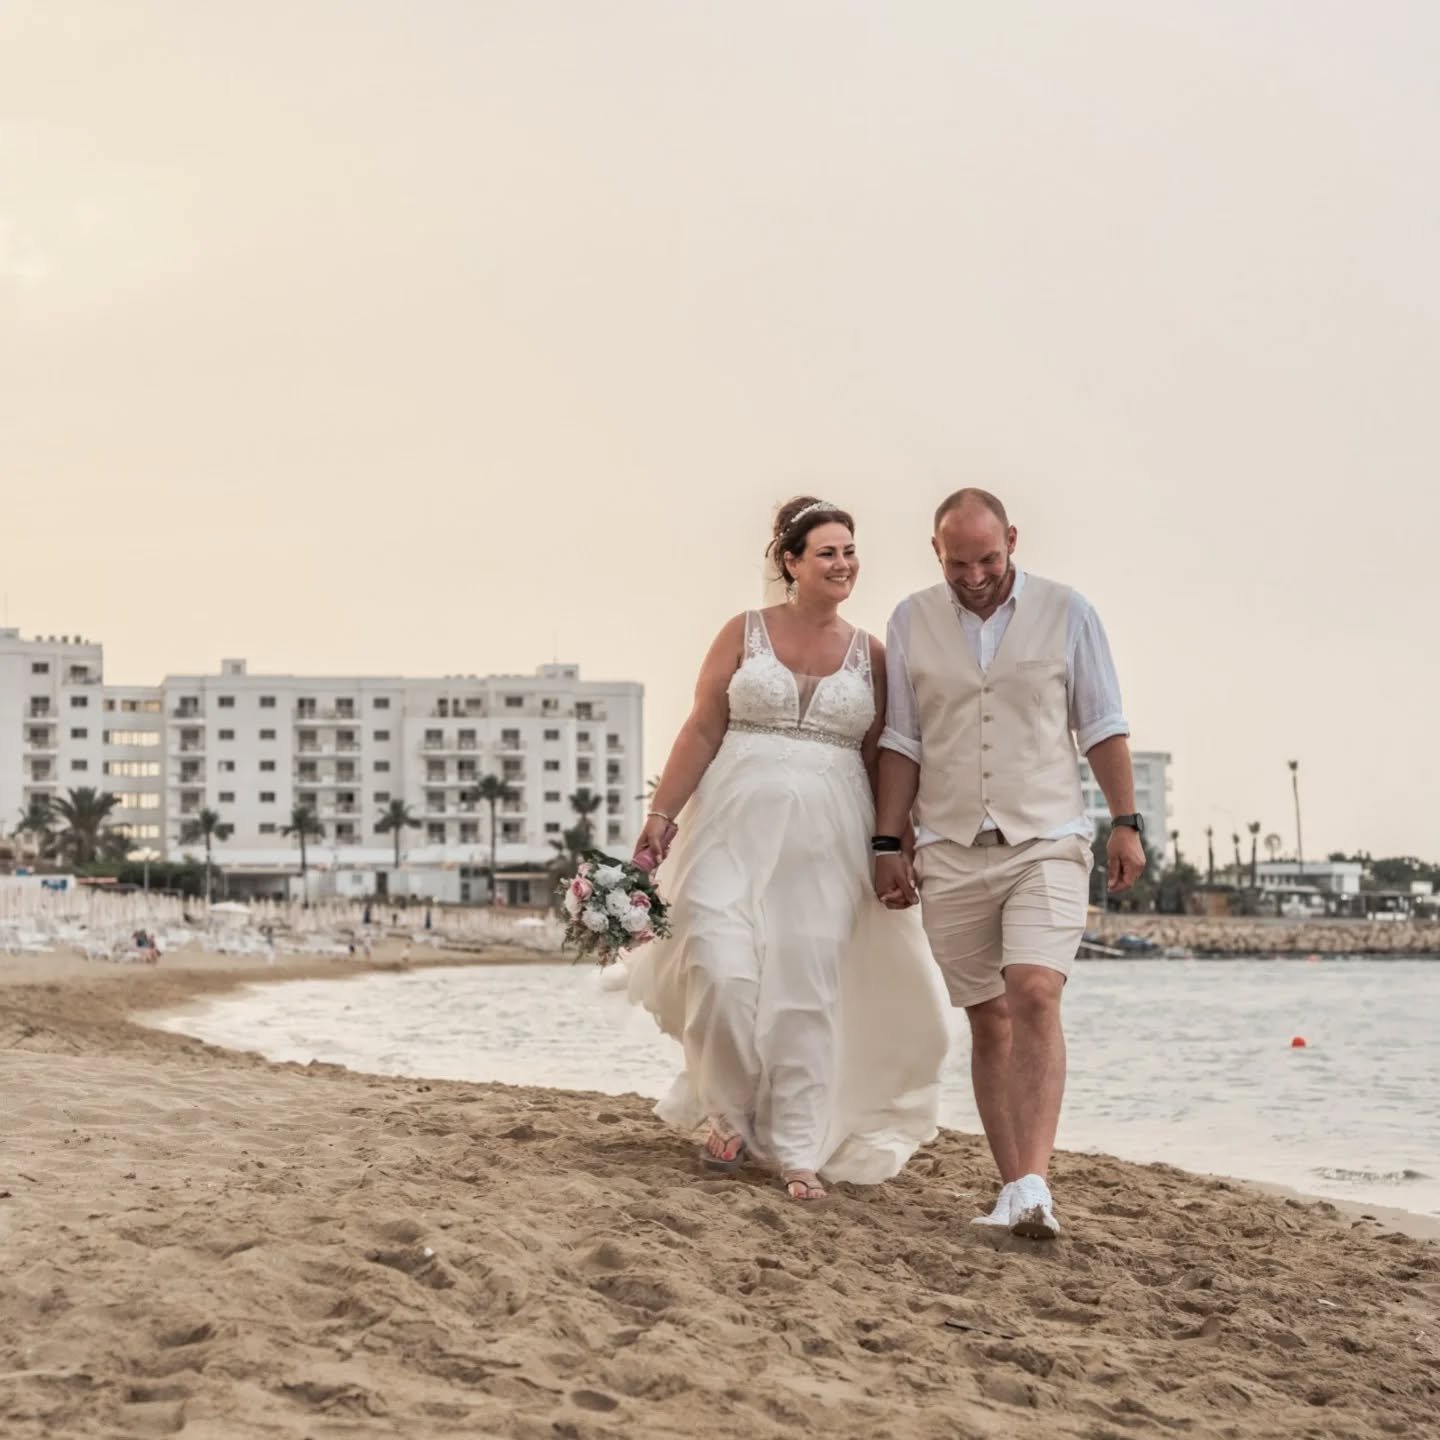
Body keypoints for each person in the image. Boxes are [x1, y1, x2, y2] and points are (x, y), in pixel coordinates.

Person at [627, 497, 949, 1202]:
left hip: (829, 839)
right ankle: (730, 1116)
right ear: (791, 562)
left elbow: (884, 756)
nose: (844, 564)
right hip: (729, 829)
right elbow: (703, 729)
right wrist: (662, 814)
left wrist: (896, 843)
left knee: (807, 990)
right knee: (720, 967)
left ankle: (797, 1147)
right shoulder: (742, 633)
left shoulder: (873, 655)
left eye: (851, 551)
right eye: (828, 552)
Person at [874, 487, 1145, 1239]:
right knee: (988, 1020)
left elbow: (1103, 722)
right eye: (959, 561)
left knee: (1034, 992)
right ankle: (1016, 1187)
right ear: (938, 553)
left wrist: (1125, 822)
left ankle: (1034, 1186)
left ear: (1013, 541)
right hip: (951, 848)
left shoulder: (1069, 611)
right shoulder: (910, 620)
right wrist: (888, 842)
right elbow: (903, 741)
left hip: (1048, 837)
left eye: (988, 558)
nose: (975, 574)